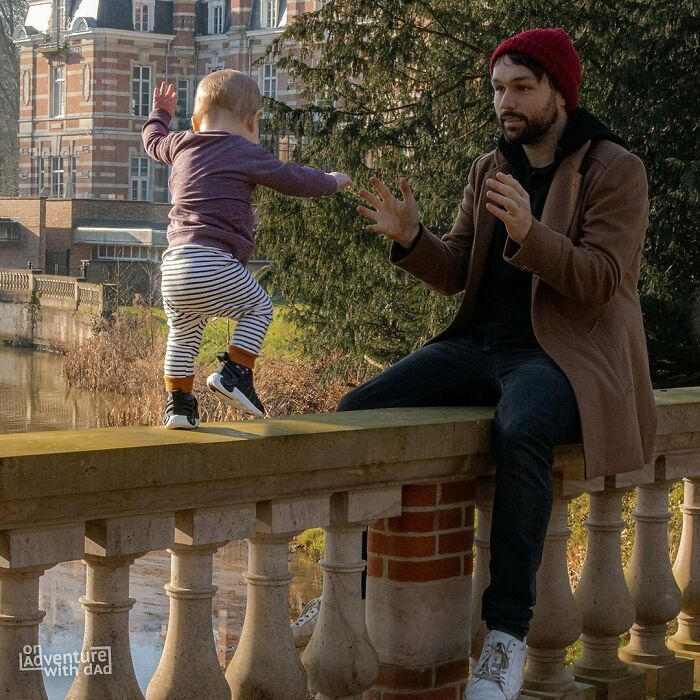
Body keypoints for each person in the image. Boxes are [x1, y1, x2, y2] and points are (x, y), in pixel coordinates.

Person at [341, 28, 657, 700]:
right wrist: (412, 240)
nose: (504, 101)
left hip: (562, 353)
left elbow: (602, 279)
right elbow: (457, 269)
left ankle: (506, 639)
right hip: (479, 345)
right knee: (356, 412)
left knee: (520, 430)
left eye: (521, 87)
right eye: (497, 89)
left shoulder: (613, 169)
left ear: (559, 91)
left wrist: (529, 234)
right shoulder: (492, 167)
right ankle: (348, 593)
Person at [142, 70, 351, 429]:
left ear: (195, 121)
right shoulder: (243, 151)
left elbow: (152, 140)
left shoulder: (179, 144)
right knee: (259, 308)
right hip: (213, 260)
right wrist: (330, 182)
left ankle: (179, 407)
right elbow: (292, 178)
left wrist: (160, 112)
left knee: (183, 333)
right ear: (253, 122)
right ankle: (235, 373)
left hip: (174, 267)